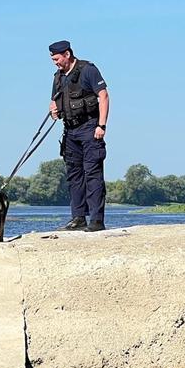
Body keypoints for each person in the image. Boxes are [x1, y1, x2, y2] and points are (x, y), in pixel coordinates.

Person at [48, 40, 110, 232]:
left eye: (57, 59)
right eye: (52, 60)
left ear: (67, 54)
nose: (55, 63)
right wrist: (54, 111)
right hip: (70, 132)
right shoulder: (58, 77)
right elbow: (54, 102)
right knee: (74, 176)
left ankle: (97, 220)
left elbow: (104, 96)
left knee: (92, 174)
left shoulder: (88, 70)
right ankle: (78, 218)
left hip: (90, 128)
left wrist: (101, 125)